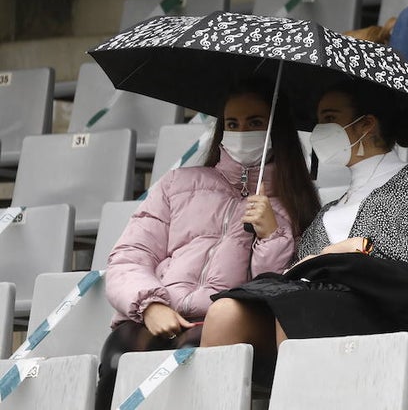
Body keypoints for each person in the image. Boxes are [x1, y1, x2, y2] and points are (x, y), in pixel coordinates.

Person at [200, 81, 408, 377]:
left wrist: (365, 247)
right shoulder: (328, 209)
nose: (317, 131)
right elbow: (298, 276)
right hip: (312, 309)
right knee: (226, 313)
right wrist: (271, 233)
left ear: (365, 125)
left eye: (328, 118)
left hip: (388, 313)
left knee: (298, 308)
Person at [97, 78, 319, 410]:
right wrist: (151, 305)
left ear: (276, 130)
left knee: (193, 365)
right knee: (119, 361)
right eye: (232, 124)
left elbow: (277, 294)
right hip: (153, 314)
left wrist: (272, 236)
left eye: (255, 123)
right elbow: (130, 256)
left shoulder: (296, 205)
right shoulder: (177, 183)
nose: (242, 132)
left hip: (219, 323)